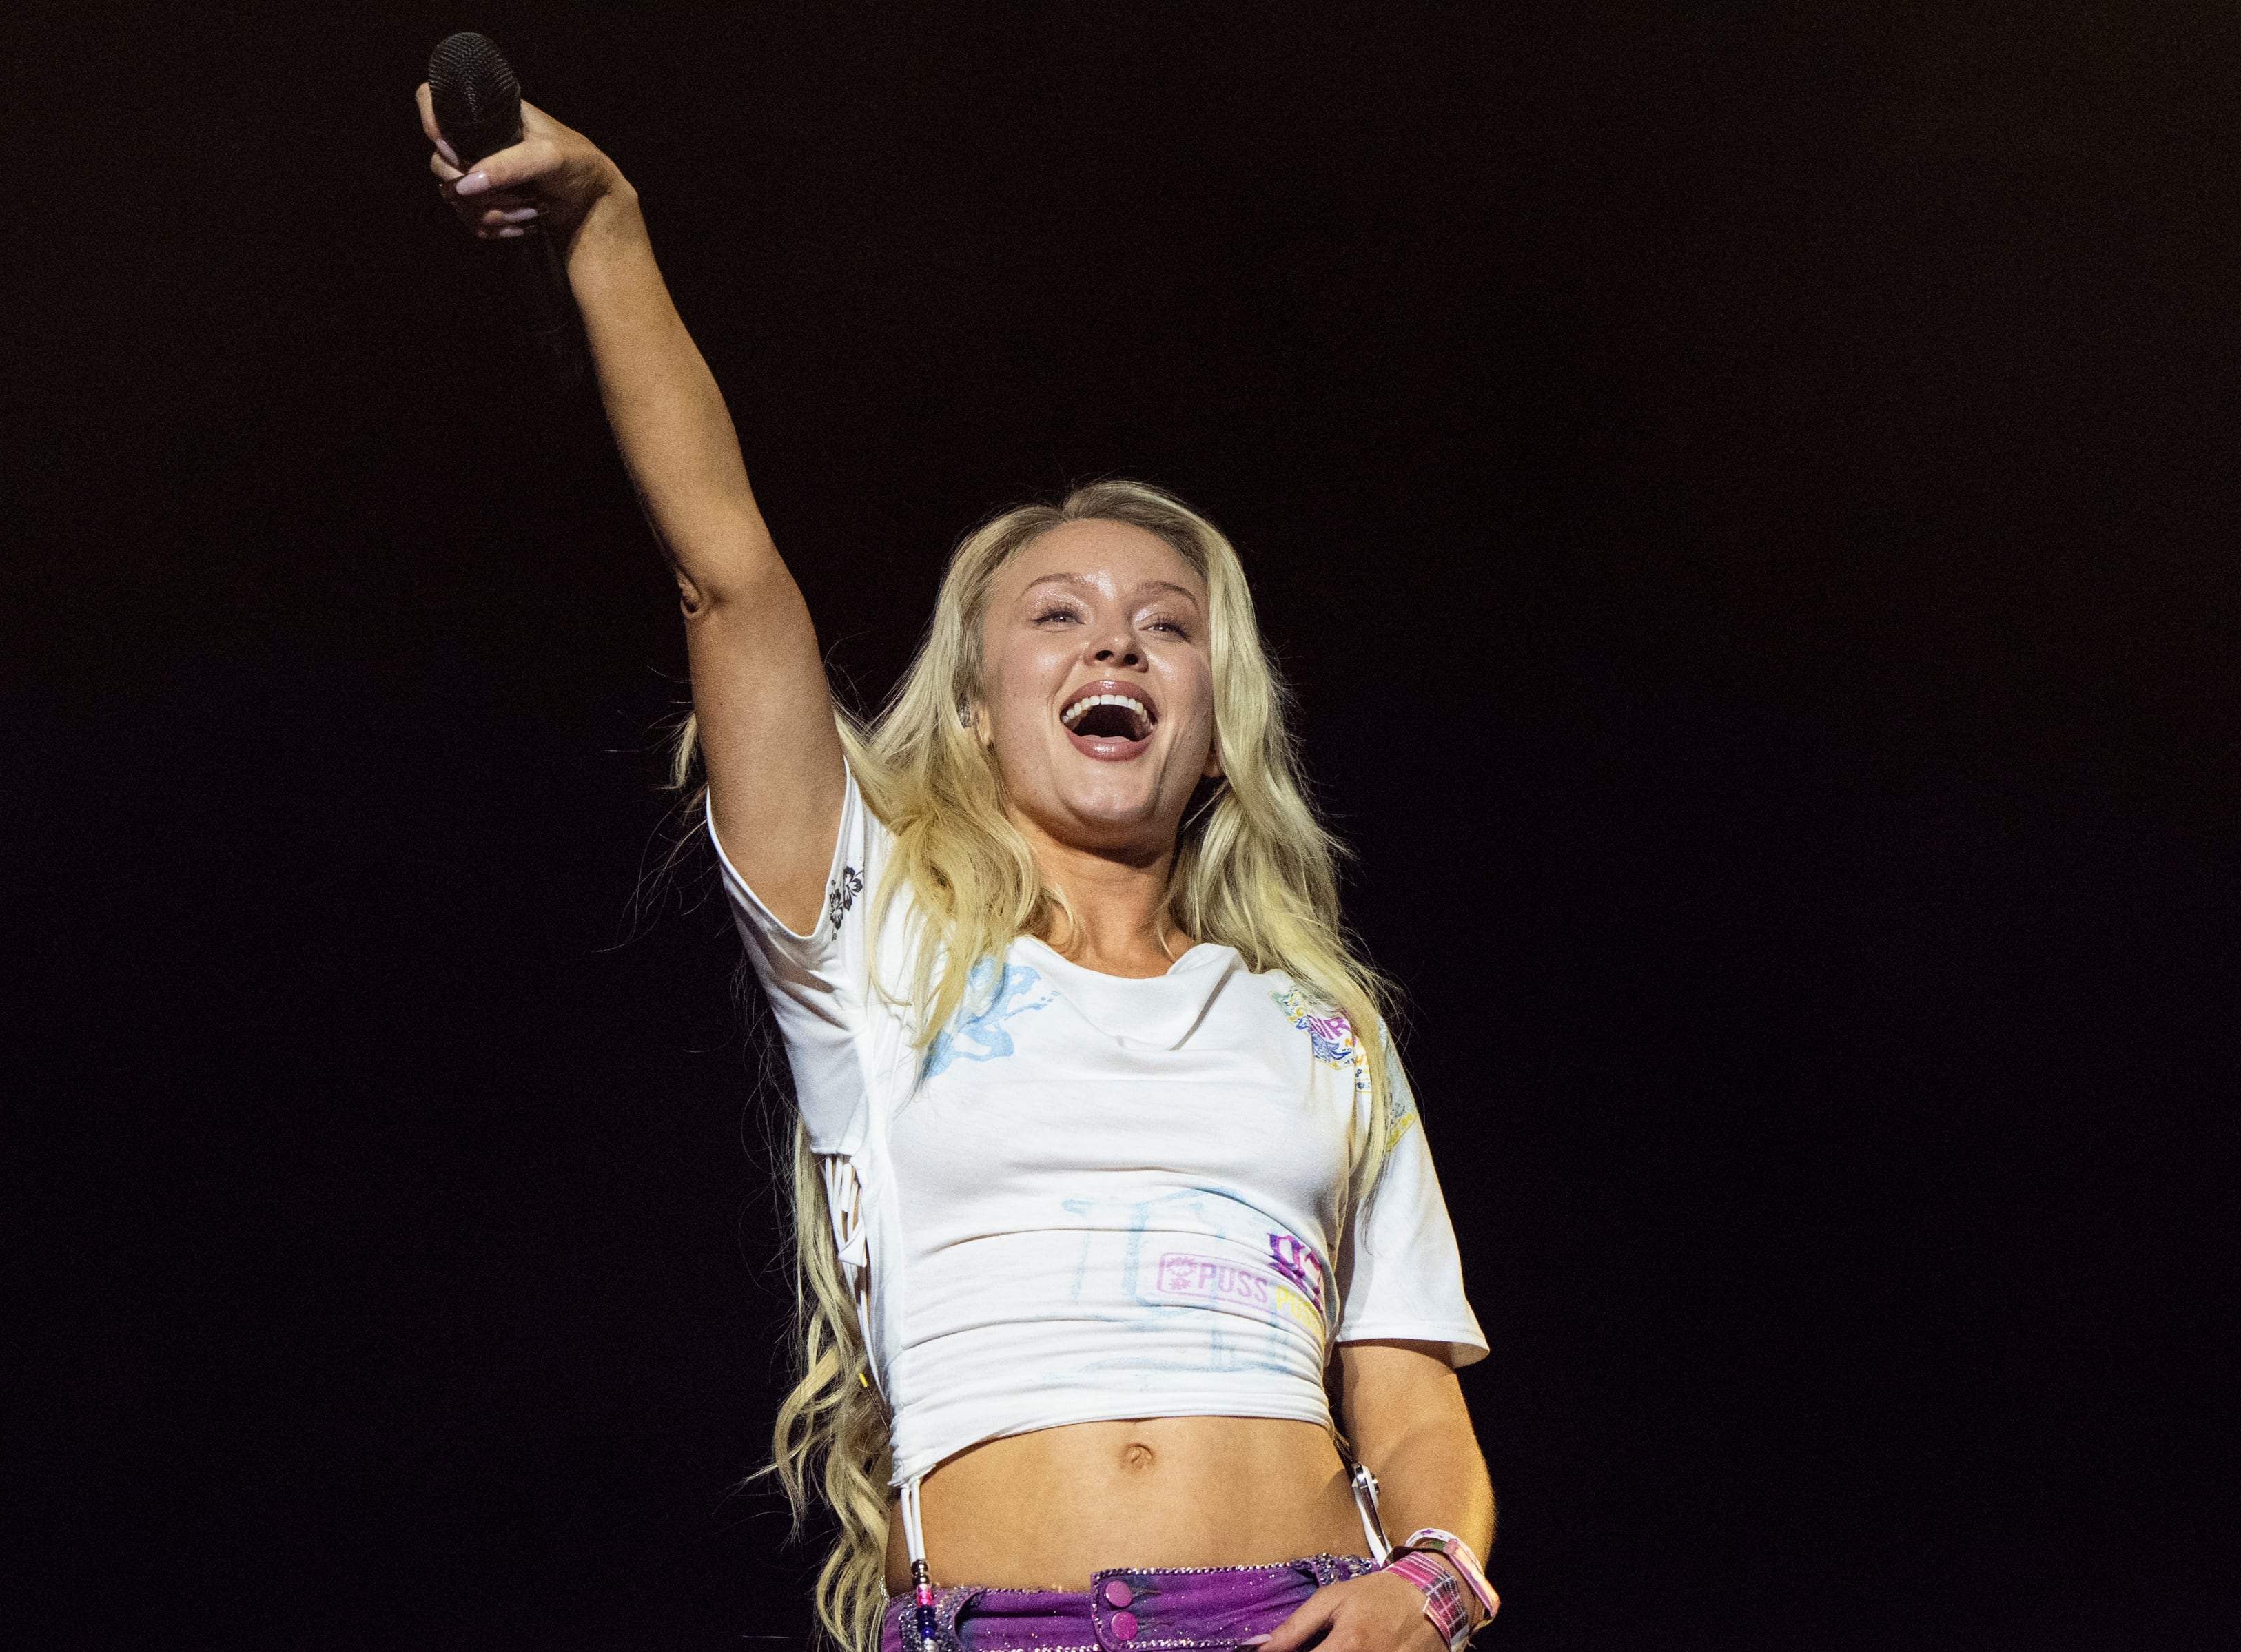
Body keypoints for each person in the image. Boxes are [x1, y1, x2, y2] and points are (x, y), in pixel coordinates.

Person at [416, 85, 1498, 1652]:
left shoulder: (1325, 1030)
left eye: (1167, 620)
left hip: (1303, 1620)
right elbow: (728, 578)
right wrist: (607, 232)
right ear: (981, 712)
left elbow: (1408, 1400)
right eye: (1056, 612)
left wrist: (1433, 1581)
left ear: (1213, 726)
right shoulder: (876, 945)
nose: (1116, 633)